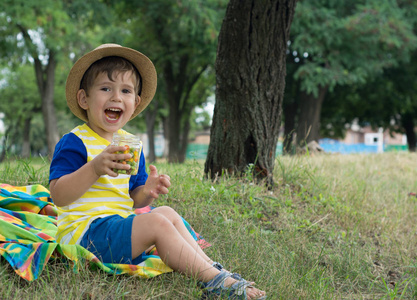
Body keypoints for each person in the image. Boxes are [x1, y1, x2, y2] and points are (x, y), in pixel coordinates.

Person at [49, 43, 266, 299]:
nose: (116, 97)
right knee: (156, 222)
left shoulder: (131, 144)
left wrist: (148, 193)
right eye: (106, 88)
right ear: (84, 98)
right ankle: (214, 282)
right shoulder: (76, 141)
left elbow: (133, 197)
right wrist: (95, 167)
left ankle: (214, 270)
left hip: (116, 228)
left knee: (165, 212)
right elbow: (58, 195)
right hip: (85, 236)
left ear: (135, 102)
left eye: (126, 91)